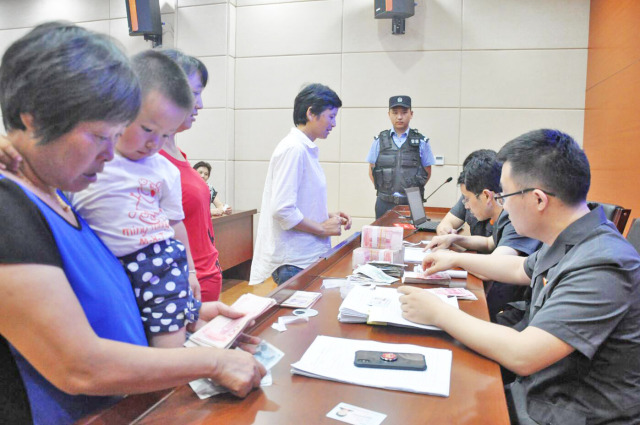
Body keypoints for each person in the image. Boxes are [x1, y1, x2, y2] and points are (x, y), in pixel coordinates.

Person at [0, 22, 264, 424]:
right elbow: (78, 365)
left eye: (116, 135)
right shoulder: (9, 208)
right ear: (33, 118)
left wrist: (188, 314)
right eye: (98, 137)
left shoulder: (60, 194)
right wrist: (210, 362)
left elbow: (103, 298)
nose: (110, 156)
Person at [399, 129, 640, 424]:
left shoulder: (603, 262)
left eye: (505, 195)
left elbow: (524, 355)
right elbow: (519, 268)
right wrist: (454, 258)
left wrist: (438, 312)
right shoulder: (570, 239)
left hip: (564, 410)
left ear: (538, 199)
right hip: (542, 392)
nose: (502, 204)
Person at [65, 50, 220, 347]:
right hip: (108, 267)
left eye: (165, 135)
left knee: (170, 350)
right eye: (147, 129)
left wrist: (189, 271)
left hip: (160, 264)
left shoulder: (164, 168)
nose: (153, 143)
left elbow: (175, 224)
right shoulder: (91, 157)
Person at [249, 83, 352, 285]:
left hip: (304, 258)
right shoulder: (293, 149)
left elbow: (299, 202)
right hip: (294, 262)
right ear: (311, 113)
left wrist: (326, 216)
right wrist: (322, 228)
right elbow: (282, 210)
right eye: (331, 116)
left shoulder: (304, 148)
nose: (333, 124)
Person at [425, 154, 541, 322]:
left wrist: (454, 258)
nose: (465, 206)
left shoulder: (515, 216)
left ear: (487, 196)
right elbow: (490, 243)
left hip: (523, 309)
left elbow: (496, 265)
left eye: (467, 199)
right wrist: (455, 240)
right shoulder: (504, 216)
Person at [155, 49, 223, 302]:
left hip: (204, 276)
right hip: (183, 284)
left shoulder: (179, 153)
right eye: (194, 94)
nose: (200, 104)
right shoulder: (152, 160)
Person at [367, 95, 435, 219]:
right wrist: (386, 191)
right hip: (384, 201)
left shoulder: (421, 141)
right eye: (395, 113)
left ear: (411, 114)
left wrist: (412, 193)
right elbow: (372, 170)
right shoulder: (379, 141)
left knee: (416, 232)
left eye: (404, 112)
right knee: (383, 232)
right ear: (389, 114)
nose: (399, 117)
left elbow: (427, 172)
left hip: (413, 201)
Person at [436, 149, 497, 237]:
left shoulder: (507, 209)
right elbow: (446, 223)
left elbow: (492, 243)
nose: (466, 206)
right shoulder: (469, 195)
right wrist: (445, 231)